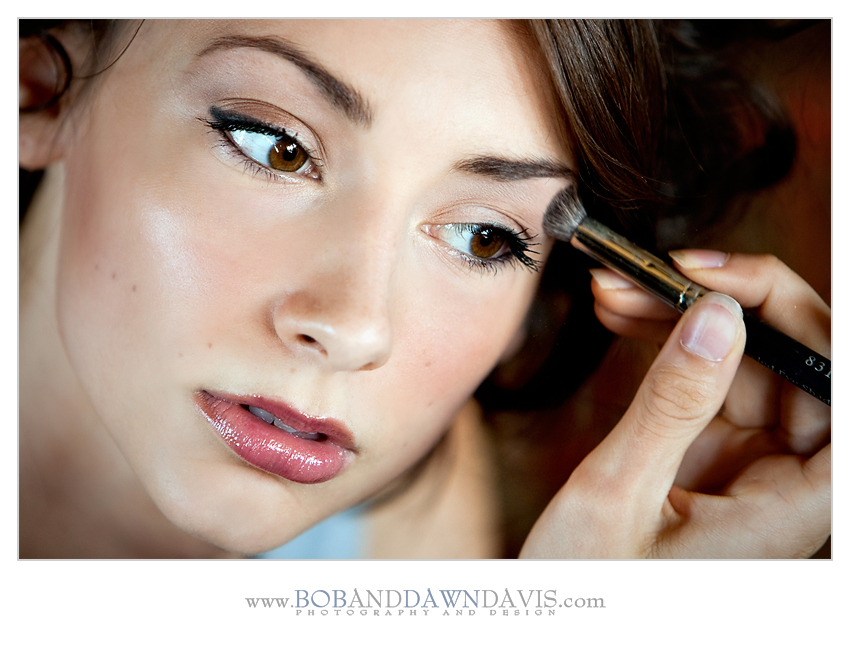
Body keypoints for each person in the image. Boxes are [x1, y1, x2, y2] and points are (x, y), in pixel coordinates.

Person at [19, 19, 830, 558]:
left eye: (483, 237)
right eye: (276, 148)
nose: (356, 328)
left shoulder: (412, 538)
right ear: (39, 88)